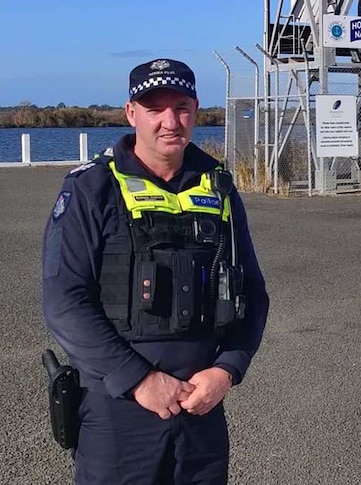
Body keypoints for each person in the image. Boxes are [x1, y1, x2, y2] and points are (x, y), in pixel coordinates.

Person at [41, 58, 270, 484]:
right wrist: (140, 380)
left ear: (196, 110)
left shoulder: (218, 186)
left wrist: (228, 370)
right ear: (131, 113)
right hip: (119, 413)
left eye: (181, 107)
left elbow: (253, 294)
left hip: (200, 410)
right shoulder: (91, 188)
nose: (170, 121)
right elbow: (63, 301)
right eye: (154, 109)